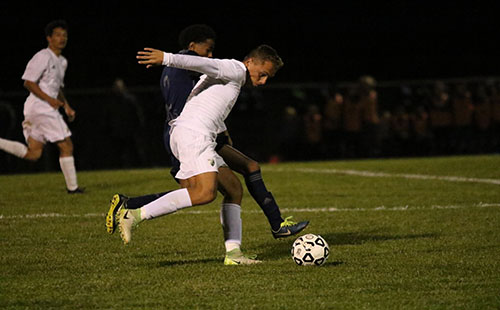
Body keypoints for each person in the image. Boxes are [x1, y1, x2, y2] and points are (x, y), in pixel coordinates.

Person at [106, 25, 307, 246]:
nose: (263, 82)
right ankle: (133, 214)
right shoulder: (235, 68)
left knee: (234, 189)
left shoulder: (232, 79)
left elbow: (203, 101)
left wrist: (221, 131)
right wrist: (166, 58)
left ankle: (234, 254)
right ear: (250, 62)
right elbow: (203, 63)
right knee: (203, 193)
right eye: (263, 74)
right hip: (194, 134)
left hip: (193, 133)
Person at [0, 20, 83, 193]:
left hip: (40, 108)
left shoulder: (62, 62)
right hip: (40, 107)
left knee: (34, 154)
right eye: (58, 35)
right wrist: (50, 101)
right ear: (49, 38)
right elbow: (28, 83)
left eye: (64, 35)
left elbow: (57, 88)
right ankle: (73, 189)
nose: (62, 38)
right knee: (66, 145)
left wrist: (66, 106)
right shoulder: (42, 56)